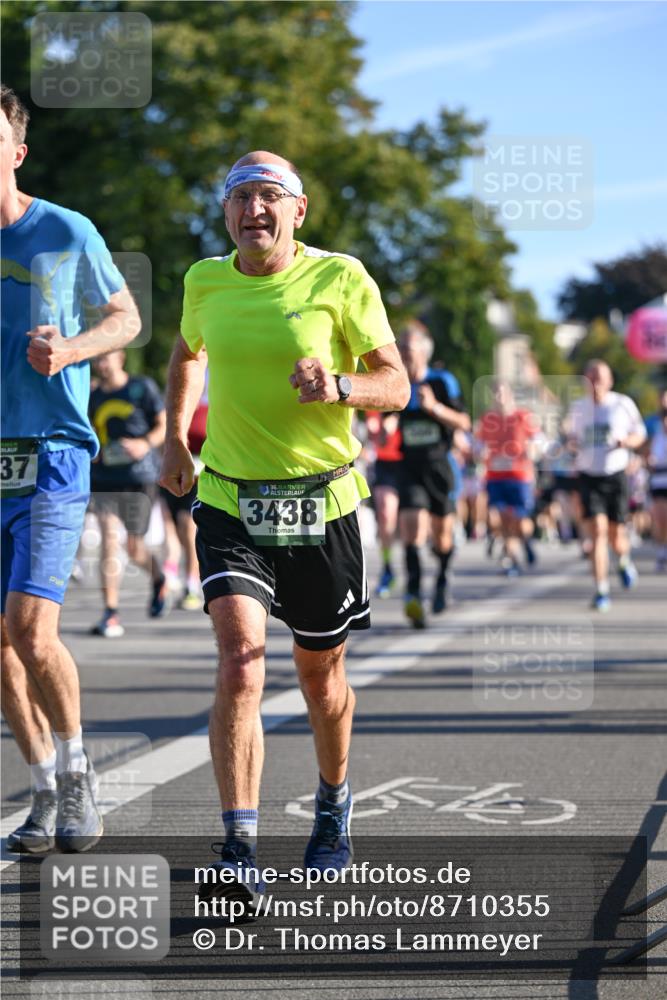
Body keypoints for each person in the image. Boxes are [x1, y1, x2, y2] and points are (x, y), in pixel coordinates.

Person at [159, 151, 409, 911]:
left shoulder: (340, 277)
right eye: (239, 197)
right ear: (225, 213)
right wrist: (175, 438)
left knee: (320, 678)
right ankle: (239, 847)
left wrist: (340, 385)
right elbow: (187, 353)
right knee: (241, 662)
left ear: (298, 211)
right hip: (229, 499)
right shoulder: (204, 280)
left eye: (269, 196)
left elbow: (396, 385)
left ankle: (333, 801)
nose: (253, 210)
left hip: (320, 504)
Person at [0, 85, 140, 852]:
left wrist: (73, 350)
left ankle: (79, 768)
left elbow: (126, 317)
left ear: (17, 152)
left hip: (52, 452)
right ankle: (44, 786)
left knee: (30, 629)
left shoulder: (64, 229)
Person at [88, 350, 168, 636]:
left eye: (106, 357)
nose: (101, 363)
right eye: (97, 358)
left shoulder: (140, 387)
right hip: (103, 477)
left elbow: (163, 425)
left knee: (134, 549)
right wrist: (92, 449)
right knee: (109, 538)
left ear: (120, 357)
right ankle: (110, 612)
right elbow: (85, 429)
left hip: (139, 477)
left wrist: (144, 444)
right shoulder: (91, 394)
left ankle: (158, 578)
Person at [397, 321, 470, 628]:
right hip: (410, 466)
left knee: (442, 536)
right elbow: (387, 417)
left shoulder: (442, 381)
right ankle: (413, 594)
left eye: (408, 347)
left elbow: (464, 422)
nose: (402, 352)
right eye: (399, 346)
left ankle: (442, 578)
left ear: (424, 352)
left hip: (440, 466)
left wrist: (434, 408)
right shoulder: (396, 382)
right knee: (412, 528)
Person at [566, 360, 646, 611]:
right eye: (591, 378)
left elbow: (640, 434)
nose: (595, 383)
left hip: (615, 475)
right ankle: (601, 590)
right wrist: (572, 445)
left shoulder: (622, 404)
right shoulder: (578, 408)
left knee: (616, 536)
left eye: (599, 378)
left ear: (609, 381)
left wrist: (625, 442)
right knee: (597, 531)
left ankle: (623, 560)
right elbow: (571, 439)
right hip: (589, 476)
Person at [476, 380, 540, 577]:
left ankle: (526, 540)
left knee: (519, 521)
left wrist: (532, 450)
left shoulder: (523, 416)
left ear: (510, 394)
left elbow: (538, 439)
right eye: (495, 394)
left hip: (519, 476)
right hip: (495, 475)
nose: (499, 397)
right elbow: (478, 443)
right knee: (502, 519)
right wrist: (480, 452)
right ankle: (511, 560)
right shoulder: (487, 419)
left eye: (502, 393)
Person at [366, 410, 402, 597]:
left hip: (410, 461)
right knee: (385, 514)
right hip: (385, 464)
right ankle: (387, 568)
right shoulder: (374, 404)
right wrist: (381, 429)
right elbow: (377, 439)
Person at [645, 388, 667, 571]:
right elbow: (644, 447)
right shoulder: (653, 425)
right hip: (659, 479)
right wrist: (647, 460)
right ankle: (662, 552)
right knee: (660, 519)